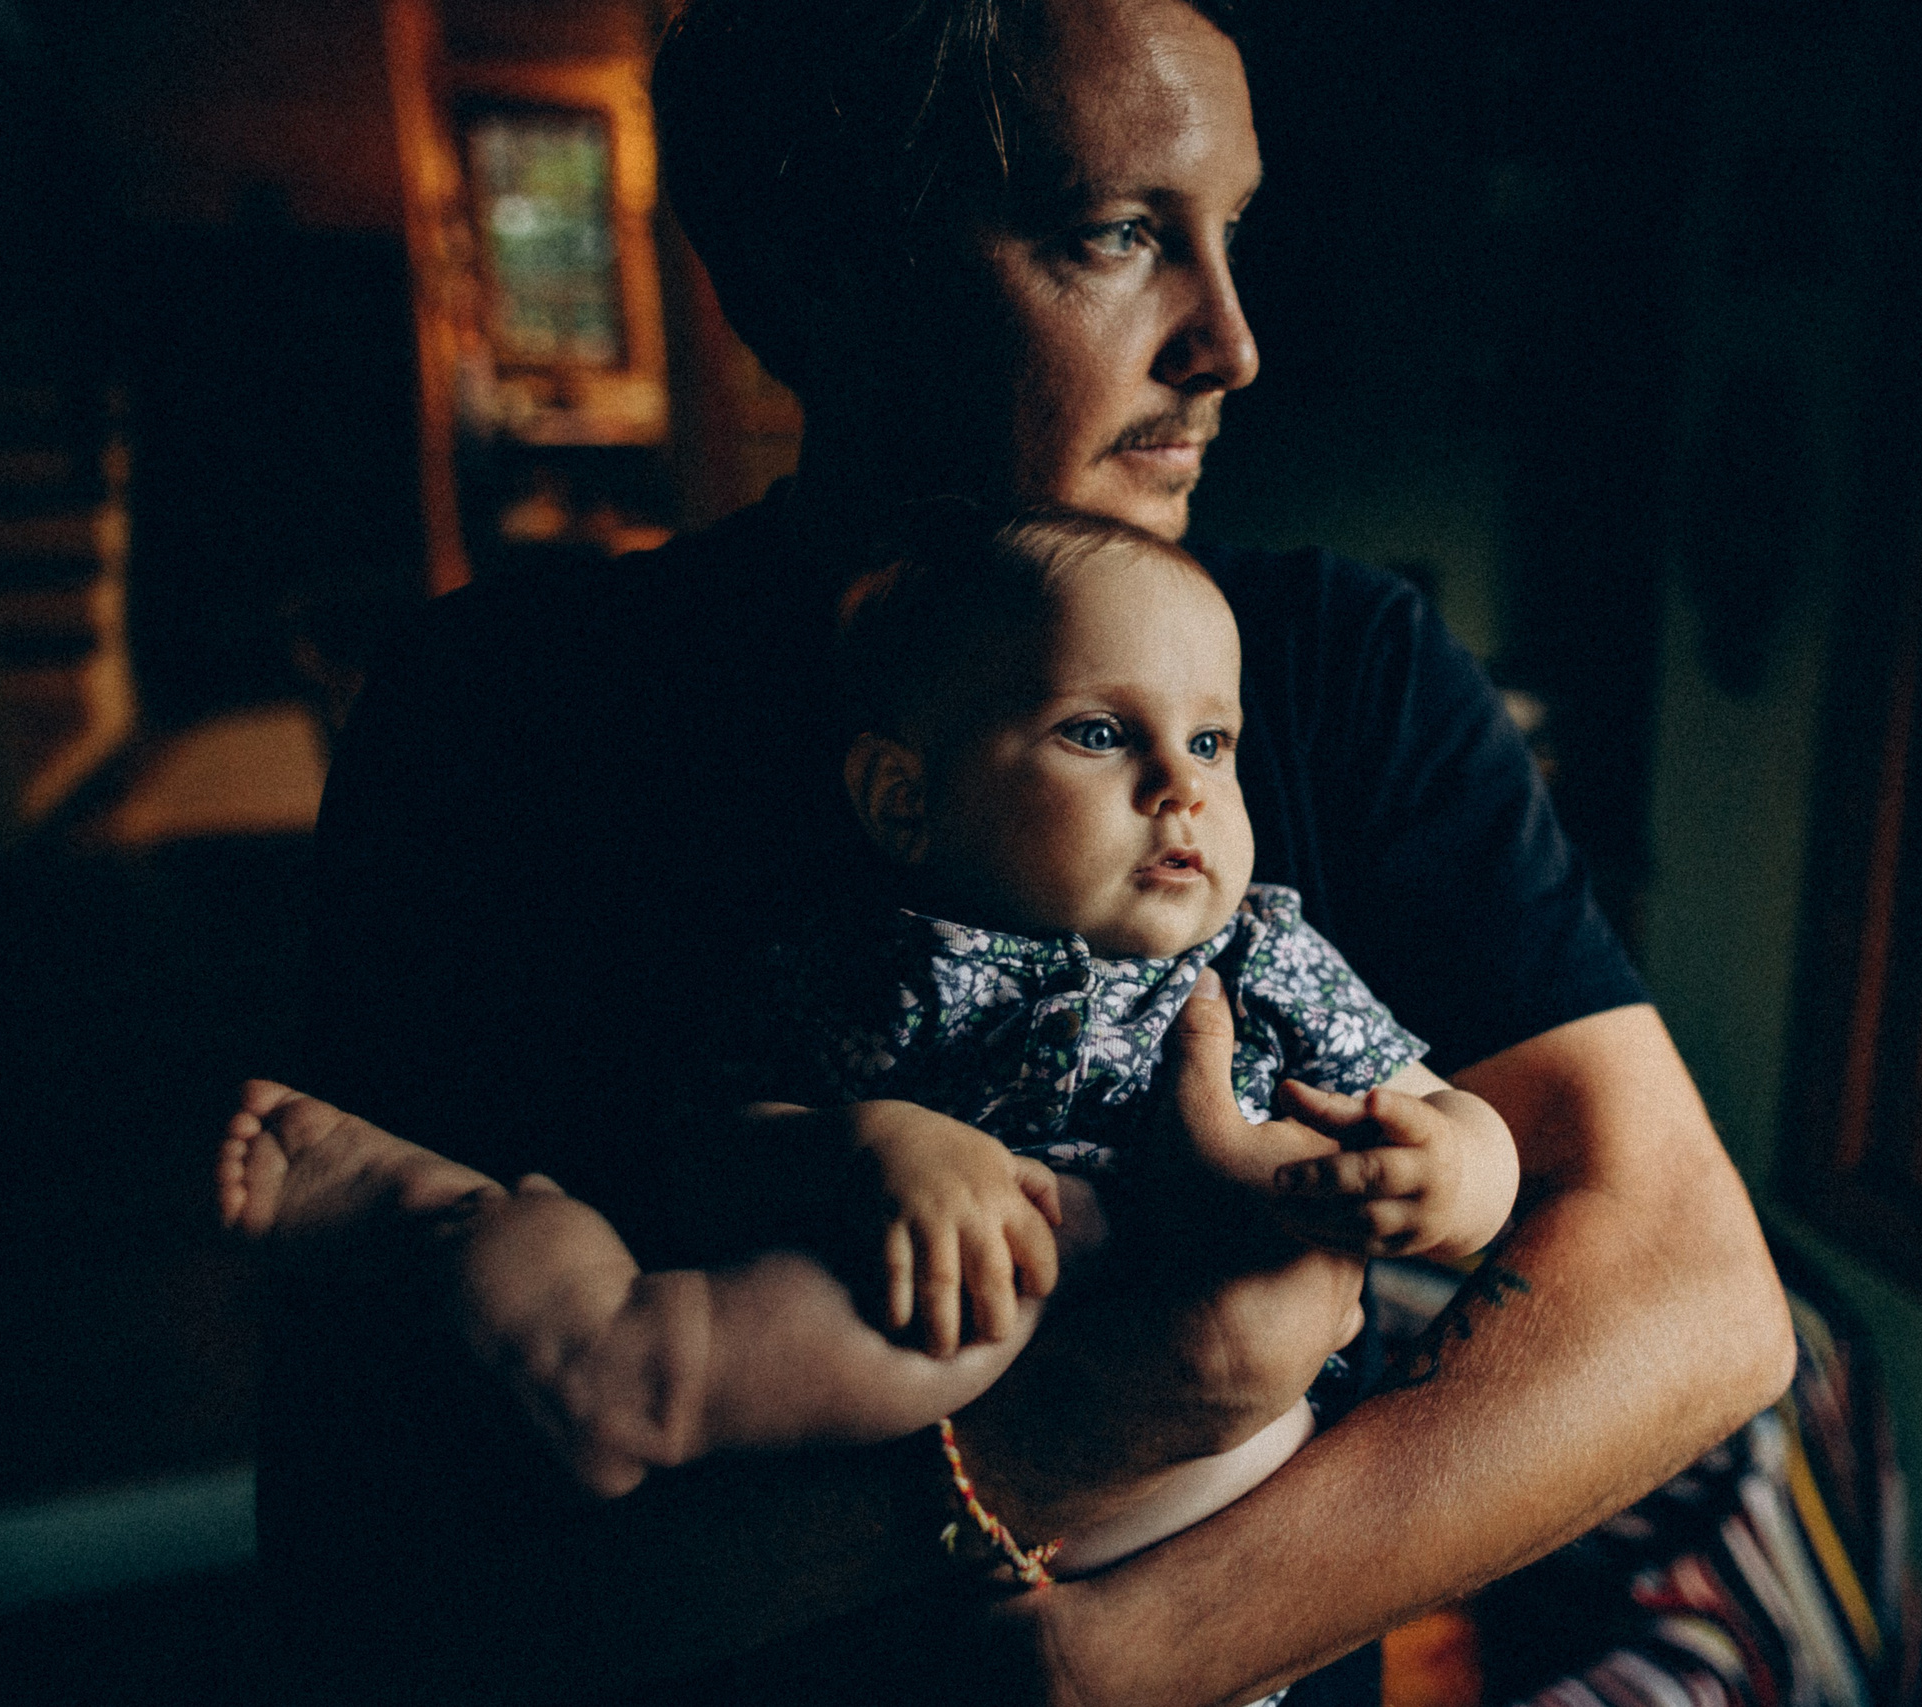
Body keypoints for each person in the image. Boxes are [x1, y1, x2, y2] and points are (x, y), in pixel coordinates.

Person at [280, 1, 1796, 1702]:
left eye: (1235, 232)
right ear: (809, 272)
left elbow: (1698, 1300)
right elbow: (389, 1601)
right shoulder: (503, 716)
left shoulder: (1335, 667)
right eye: (1119, 233)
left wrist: (1127, 1654)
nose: (1230, 340)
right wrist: (1133, 1396)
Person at [226, 510, 1517, 1577]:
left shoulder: (1265, 958)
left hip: (1228, 1504)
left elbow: (1455, 1127)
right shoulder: (879, 966)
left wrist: (1449, 1173)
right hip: (961, 1331)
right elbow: (710, 1157)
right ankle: (475, 1247)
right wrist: (877, 1144)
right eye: (1098, 732)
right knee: (717, 1366)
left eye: (1213, 741)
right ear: (907, 798)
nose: (1180, 785)